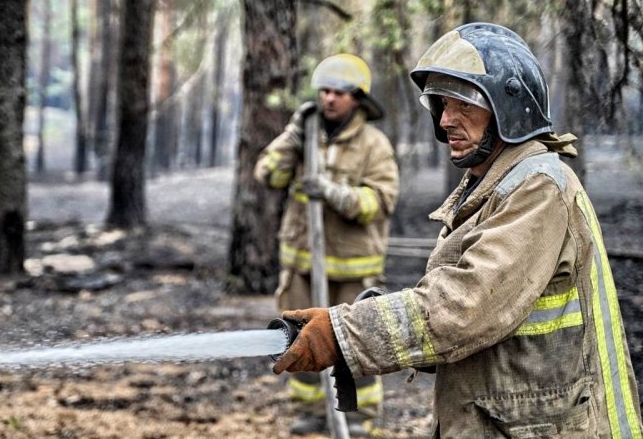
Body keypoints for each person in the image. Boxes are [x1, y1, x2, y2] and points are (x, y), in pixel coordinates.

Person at [272, 22, 643, 438]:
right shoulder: (495, 182)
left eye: (464, 105)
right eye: (441, 105)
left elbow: (466, 305)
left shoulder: (537, 186)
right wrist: (377, 316)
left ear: (508, 106)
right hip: (508, 416)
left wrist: (346, 333)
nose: (446, 119)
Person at [255, 53, 399, 436]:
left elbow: (380, 201)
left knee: (358, 346)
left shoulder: (374, 144)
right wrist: (293, 137)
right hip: (302, 266)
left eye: (340, 92)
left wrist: (335, 194)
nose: (330, 99)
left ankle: (359, 418)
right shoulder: (305, 137)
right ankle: (311, 412)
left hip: (353, 270)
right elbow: (268, 174)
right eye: (325, 91)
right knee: (299, 344)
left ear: (358, 98)